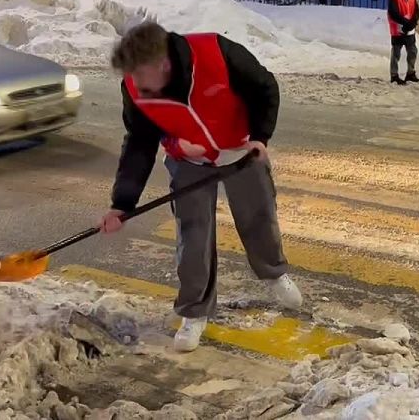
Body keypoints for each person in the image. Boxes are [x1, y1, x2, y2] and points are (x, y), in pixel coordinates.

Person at [98, 21, 303, 353]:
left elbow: (264, 87)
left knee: (259, 217)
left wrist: (259, 137)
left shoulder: (216, 53)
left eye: (138, 75)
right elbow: (139, 143)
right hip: (189, 160)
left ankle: (273, 274)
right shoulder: (134, 87)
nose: (133, 84)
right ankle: (194, 312)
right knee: (193, 236)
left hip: (240, 151)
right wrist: (122, 203)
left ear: (161, 64)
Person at [387, 0, 419, 85]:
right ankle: (394, 75)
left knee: (412, 51)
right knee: (396, 52)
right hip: (398, 28)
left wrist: (413, 22)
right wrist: (404, 22)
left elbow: (416, 10)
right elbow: (393, 12)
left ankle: (410, 73)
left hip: (409, 28)